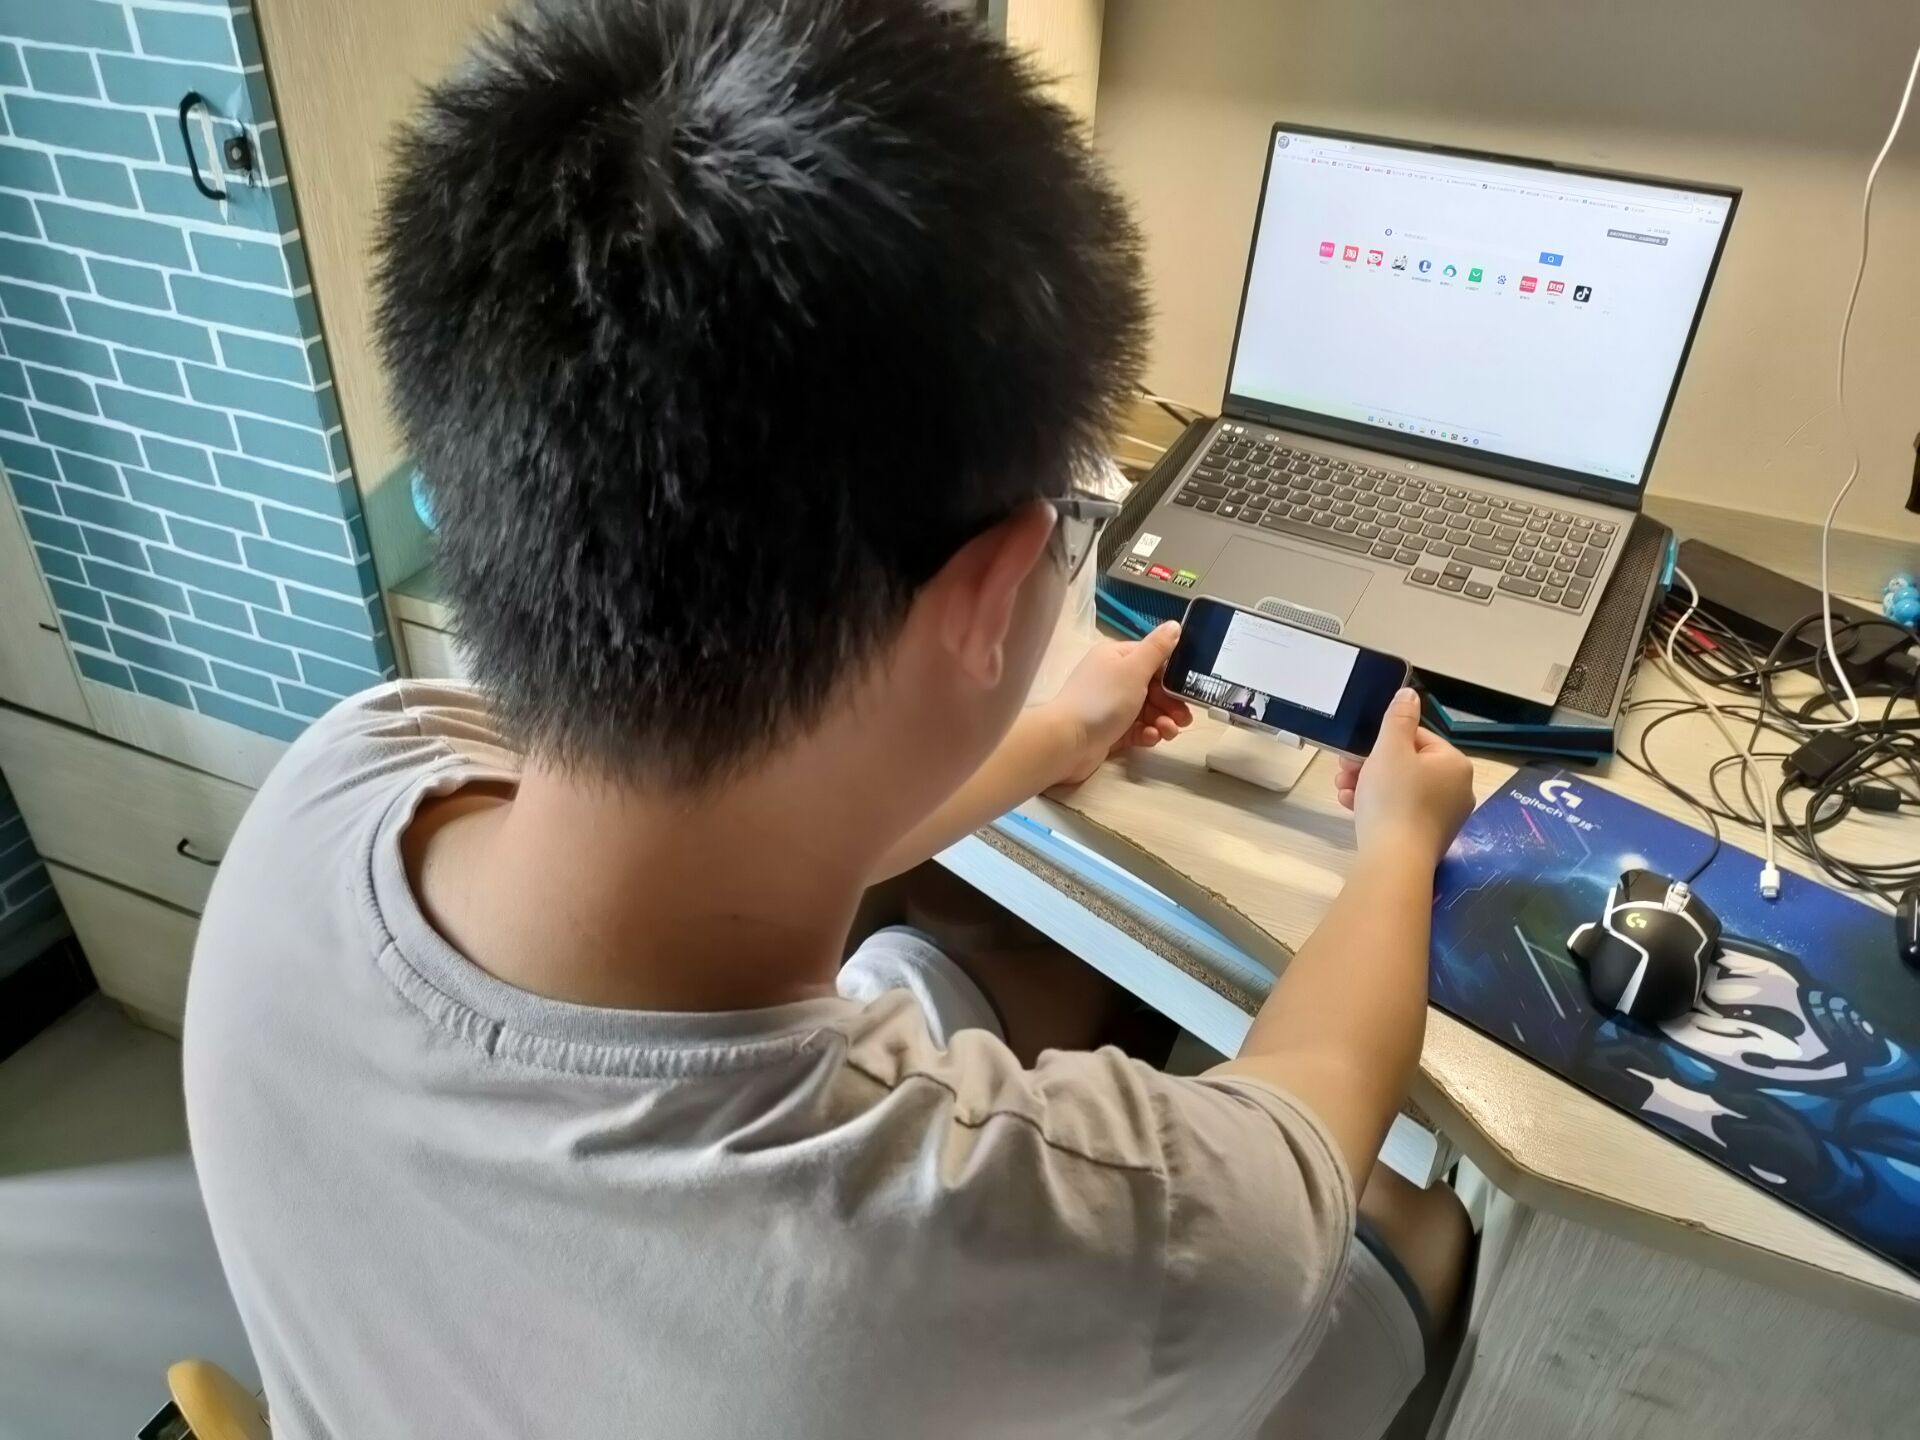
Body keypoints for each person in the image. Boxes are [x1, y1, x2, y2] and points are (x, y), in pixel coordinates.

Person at [184, 1, 1475, 1435]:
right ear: (990, 594)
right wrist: (1400, 843)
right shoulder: (1036, 1254)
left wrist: (1057, 738)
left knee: (981, 959)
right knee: (1415, 1227)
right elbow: (1303, 1127)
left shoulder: (347, 774)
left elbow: (725, 824)